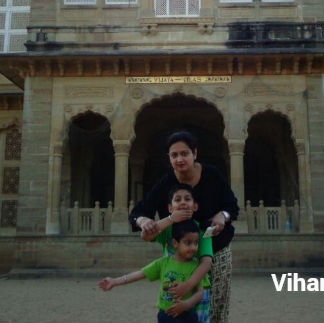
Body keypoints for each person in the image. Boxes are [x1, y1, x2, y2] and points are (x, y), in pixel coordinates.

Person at [131, 131, 238, 323]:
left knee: (215, 302)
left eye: (184, 153)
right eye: (174, 155)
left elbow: (232, 206)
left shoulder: (211, 175)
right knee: (177, 302)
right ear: (169, 158)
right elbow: (138, 212)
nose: (180, 159)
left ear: (195, 153)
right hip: (178, 252)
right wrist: (144, 221)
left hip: (214, 246)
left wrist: (223, 216)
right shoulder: (166, 184)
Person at [99, 220, 206, 323]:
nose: (193, 247)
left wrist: (186, 305)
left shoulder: (196, 267)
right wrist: (114, 281)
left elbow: (200, 292)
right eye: (188, 243)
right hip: (165, 316)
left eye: (196, 243)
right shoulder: (162, 263)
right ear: (175, 243)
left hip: (187, 316)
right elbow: (139, 274)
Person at [143, 183, 214, 321]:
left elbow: (206, 263)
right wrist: (170, 219)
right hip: (173, 289)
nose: (182, 203)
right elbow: (146, 235)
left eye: (187, 199)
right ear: (170, 207)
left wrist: (187, 286)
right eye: (177, 200)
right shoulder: (167, 229)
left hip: (195, 289)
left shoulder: (203, 231)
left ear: (195, 206)